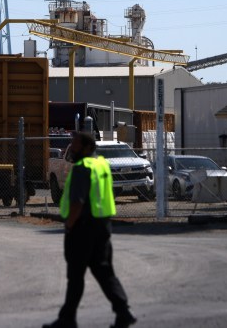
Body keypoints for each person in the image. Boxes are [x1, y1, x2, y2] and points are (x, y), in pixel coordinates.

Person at [44, 132, 136, 328]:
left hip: (82, 228)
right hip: (102, 226)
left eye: (75, 144)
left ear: (86, 147)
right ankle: (124, 311)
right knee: (105, 272)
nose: (72, 148)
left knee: (75, 276)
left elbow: (77, 203)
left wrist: (69, 224)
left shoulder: (81, 168)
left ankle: (67, 319)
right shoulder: (101, 165)